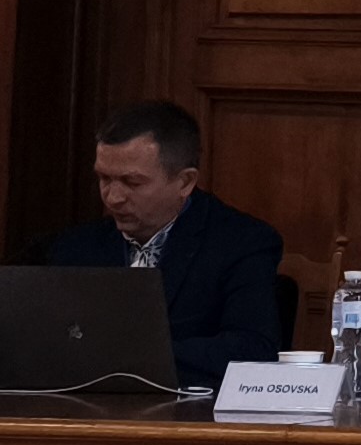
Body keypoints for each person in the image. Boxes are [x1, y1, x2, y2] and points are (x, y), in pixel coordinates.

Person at [33, 101, 282, 388]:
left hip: (188, 410)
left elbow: (252, 349)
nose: (113, 197)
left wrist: (131, 359)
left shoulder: (242, 243)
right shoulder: (73, 247)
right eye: (104, 178)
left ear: (185, 182)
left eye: (132, 182)